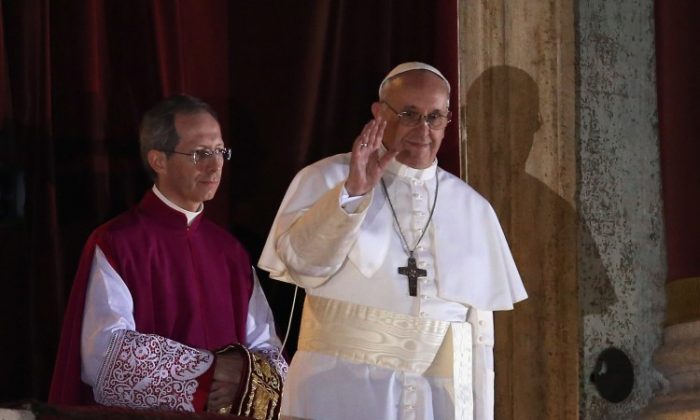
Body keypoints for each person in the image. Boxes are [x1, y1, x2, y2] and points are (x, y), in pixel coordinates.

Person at [258, 62, 527, 420]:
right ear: (378, 113)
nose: (423, 129)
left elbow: (478, 339)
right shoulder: (328, 178)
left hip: (436, 400)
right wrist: (353, 193)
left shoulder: (473, 209)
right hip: (339, 391)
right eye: (409, 114)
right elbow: (303, 267)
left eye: (434, 117)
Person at [49, 94, 286, 418]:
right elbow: (103, 356)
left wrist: (243, 377)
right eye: (201, 153)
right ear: (158, 160)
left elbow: (268, 350)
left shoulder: (230, 251)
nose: (215, 165)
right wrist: (209, 373)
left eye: (220, 151)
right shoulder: (117, 242)